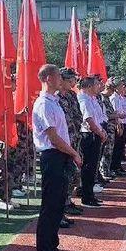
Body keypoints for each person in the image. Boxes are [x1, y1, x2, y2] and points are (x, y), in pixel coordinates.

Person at [32, 65, 81, 251]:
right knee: (50, 207)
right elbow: (53, 137)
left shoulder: (54, 101)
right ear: (48, 78)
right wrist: (74, 153)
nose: (61, 79)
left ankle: (53, 249)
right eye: (58, 76)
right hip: (52, 156)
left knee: (58, 205)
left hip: (60, 156)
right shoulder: (43, 104)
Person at [56, 68, 84, 220]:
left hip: (74, 138)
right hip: (62, 143)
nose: (73, 82)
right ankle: (62, 207)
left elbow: (78, 114)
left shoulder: (72, 95)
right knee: (63, 176)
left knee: (73, 173)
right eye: (71, 79)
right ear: (62, 80)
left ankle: (67, 201)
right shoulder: (55, 97)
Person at [77, 76, 108, 207]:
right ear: (89, 87)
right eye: (96, 84)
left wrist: (102, 131)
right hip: (89, 135)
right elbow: (89, 120)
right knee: (88, 167)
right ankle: (86, 197)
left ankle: (90, 195)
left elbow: (98, 118)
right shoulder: (84, 100)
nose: (99, 86)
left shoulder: (92, 99)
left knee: (92, 167)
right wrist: (100, 133)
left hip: (96, 134)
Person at [110, 79, 126, 176]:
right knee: (117, 148)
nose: (123, 88)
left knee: (120, 147)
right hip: (117, 125)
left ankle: (118, 166)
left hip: (122, 124)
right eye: (121, 86)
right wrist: (118, 126)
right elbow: (115, 113)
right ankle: (115, 168)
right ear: (116, 87)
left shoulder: (118, 98)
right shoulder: (114, 98)